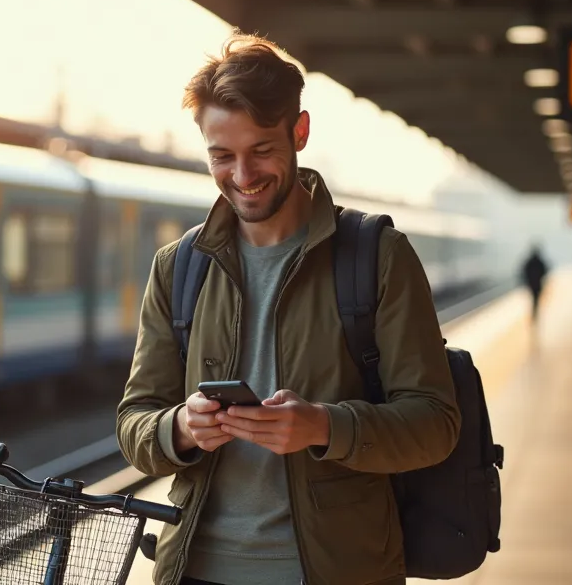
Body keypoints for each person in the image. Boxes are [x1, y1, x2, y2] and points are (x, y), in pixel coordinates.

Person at [116, 33, 461, 585]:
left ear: (298, 132)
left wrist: (324, 426)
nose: (243, 176)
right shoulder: (178, 267)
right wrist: (179, 427)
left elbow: (436, 424)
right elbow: (134, 422)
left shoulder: (377, 256)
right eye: (222, 156)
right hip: (195, 570)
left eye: (261, 151)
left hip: (335, 570)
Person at [521, 246, 549, 319]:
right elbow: (545, 271)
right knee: (536, 299)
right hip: (538, 284)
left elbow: (524, 272)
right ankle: (535, 312)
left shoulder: (529, 262)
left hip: (531, 284)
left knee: (534, 299)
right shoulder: (540, 261)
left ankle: (534, 312)